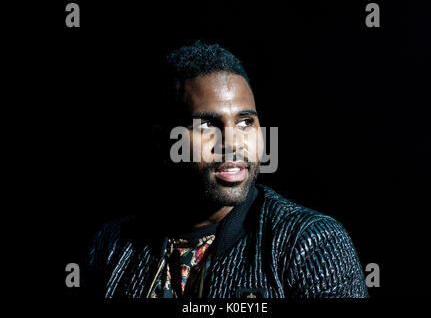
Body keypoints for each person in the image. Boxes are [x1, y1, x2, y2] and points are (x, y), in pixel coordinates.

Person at [85, 41, 369, 298]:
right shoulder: (112, 244)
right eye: (208, 124)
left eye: (245, 122)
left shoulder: (309, 242)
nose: (232, 143)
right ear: (164, 141)